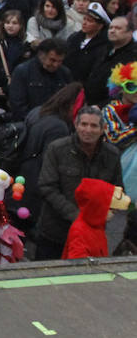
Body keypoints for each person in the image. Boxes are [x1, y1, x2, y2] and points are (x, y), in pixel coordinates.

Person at [32, 106, 122, 260]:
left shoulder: (112, 155)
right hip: (55, 233)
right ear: (76, 124)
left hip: (92, 235)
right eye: (84, 124)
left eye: (94, 126)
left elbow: (117, 191)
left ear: (103, 129)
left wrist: (105, 213)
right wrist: (76, 215)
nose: (88, 130)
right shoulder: (57, 149)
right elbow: (47, 187)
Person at [62, 179, 131, 259]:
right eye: (113, 211)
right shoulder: (79, 231)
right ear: (99, 209)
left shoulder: (97, 225)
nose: (114, 215)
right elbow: (78, 265)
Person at [7, 38, 71, 120]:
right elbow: (17, 105)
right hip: (31, 123)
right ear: (41, 55)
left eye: (60, 61)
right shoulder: (23, 71)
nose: (56, 65)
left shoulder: (65, 73)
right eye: (52, 60)